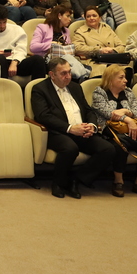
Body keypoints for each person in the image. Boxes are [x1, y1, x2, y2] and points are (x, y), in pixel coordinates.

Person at [30, 57, 115, 198]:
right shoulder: (40, 89)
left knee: (108, 149)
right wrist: (70, 128)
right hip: (57, 132)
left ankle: (77, 179)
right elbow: (43, 116)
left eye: (69, 72)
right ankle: (58, 183)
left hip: (81, 130)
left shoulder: (75, 87)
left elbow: (88, 110)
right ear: (52, 74)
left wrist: (92, 126)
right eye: (63, 73)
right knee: (70, 148)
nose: (68, 76)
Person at [89, 64, 137, 198]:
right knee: (119, 146)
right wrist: (129, 120)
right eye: (121, 77)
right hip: (111, 131)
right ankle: (118, 182)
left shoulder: (129, 92)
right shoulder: (99, 92)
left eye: (125, 77)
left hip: (131, 131)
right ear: (111, 79)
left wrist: (125, 111)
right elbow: (108, 113)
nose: (125, 80)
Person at [30, 5, 89, 81]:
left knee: (68, 58)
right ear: (59, 16)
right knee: (68, 60)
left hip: (64, 60)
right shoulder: (42, 27)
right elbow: (33, 47)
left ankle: (78, 74)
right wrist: (51, 44)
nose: (70, 19)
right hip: (48, 61)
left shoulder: (66, 31)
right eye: (67, 16)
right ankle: (82, 73)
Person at [73, 6, 130, 78]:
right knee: (110, 71)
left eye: (94, 16)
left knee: (126, 70)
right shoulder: (80, 31)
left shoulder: (107, 28)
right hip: (95, 62)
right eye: (88, 16)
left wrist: (113, 50)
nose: (91, 18)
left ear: (100, 18)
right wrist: (99, 50)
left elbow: (121, 46)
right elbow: (78, 48)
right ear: (85, 18)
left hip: (113, 59)